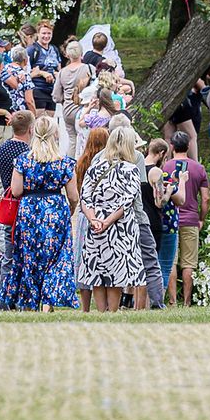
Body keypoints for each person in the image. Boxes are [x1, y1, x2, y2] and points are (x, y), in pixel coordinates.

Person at [0, 117, 77, 311]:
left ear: (34, 132)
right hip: (56, 210)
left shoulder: (23, 160)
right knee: (56, 258)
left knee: (29, 257)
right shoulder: (64, 163)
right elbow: (73, 196)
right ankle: (48, 304)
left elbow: (16, 191)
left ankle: (28, 303)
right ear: (55, 134)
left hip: (30, 210)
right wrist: (70, 210)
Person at [78, 126, 147, 313]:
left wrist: (94, 220)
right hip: (120, 227)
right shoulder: (131, 170)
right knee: (115, 270)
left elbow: (85, 197)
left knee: (98, 268)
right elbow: (127, 201)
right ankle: (113, 311)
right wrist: (108, 221)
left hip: (96, 223)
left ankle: (101, 311)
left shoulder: (95, 168)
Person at [168, 130, 210, 306]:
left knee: (171, 261)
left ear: (172, 147)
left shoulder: (166, 167)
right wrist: (201, 218)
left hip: (171, 219)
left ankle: (172, 301)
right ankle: (186, 301)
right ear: (189, 146)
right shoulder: (198, 168)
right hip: (191, 219)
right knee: (188, 263)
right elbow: (206, 198)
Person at [70, 126, 108, 311]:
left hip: (85, 213)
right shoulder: (107, 163)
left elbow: (77, 190)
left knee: (84, 258)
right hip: (103, 213)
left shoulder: (82, 162)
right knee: (102, 257)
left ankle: (85, 306)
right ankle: (105, 304)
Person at [145, 137, 177, 307]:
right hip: (153, 221)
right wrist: (170, 190)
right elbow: (160, 202)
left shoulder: (136, 166)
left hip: (137, 219)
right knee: (153, 265)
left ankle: (136, 303)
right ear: (161, 153)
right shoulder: (155, 172)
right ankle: (155, 302)